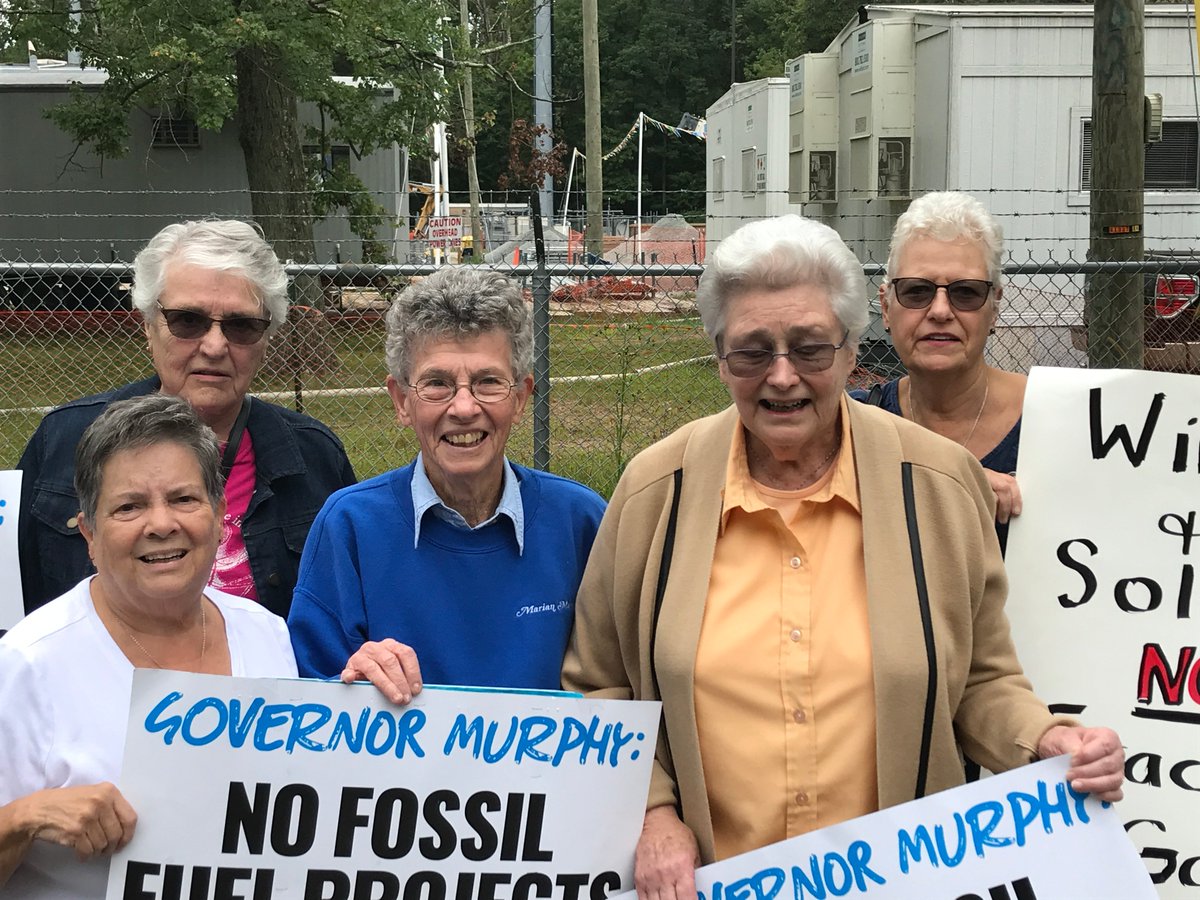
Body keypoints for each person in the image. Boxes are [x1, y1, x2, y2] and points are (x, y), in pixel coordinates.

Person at [561, 215, 1125, 897]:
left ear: (853, 349)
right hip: (713, 882)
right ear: (719, 357)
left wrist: (1044, 741)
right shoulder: (656, 491)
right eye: (752, 352)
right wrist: (652, 814)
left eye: (810, 349)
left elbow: (979, 679)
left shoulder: (939, 484)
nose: (782, 377)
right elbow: (598, 687)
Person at [0, 395, 298, 897]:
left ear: (219, 514)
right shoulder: (28, 664)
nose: (161, 524)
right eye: (129, 507)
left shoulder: (266, 634)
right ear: (89, 533)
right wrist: (24, 817)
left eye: (183, 499)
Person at [288, 267, 606, 700]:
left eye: (488, 382)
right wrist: (350, 681)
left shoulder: (581, 522)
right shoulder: (349, 527)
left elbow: (619, 679)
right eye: (436, 384)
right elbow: (309, 698)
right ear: (402, 401)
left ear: (520, 398)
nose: (464, 408)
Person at [17, 219, 356, 617]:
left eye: (242, 325)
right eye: (188, 320)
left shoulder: (314, 458)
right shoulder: (64, 442)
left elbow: (350, 613)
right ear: (149, 326)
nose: (214, 346)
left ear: (266, 338)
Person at [859, 191, 1023, 551]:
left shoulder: (1063, 420)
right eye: (917, 291)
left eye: (966, 292)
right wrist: (953, 484)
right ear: (886, 307)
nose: (940, 311)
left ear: (994, 307)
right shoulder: (850, 423)